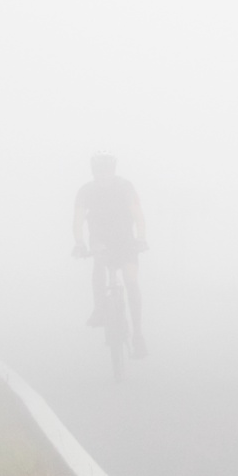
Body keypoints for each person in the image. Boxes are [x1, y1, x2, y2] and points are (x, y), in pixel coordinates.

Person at [72, 151, 148, 358]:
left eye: (107, 172)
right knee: (99, 262)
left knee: (131, 282)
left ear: (113, 171)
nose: (103, 176)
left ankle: (138, 335)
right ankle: (99, 309)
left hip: (125, 242)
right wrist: (79, 242)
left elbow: (138, 215)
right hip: (100, 241)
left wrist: (141, 238)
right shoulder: (86, 191)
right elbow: (78, 220)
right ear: (93, 172)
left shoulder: (125, 187)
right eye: (99, 172)